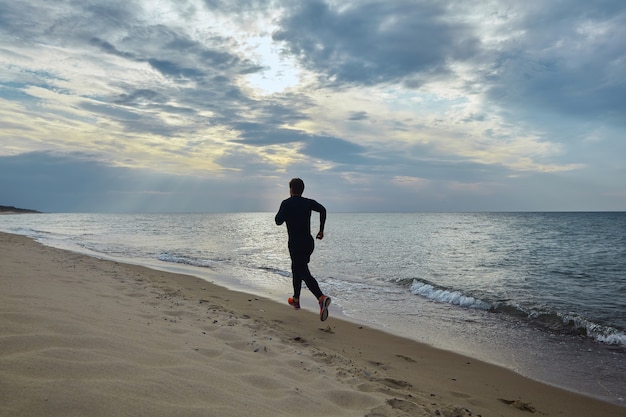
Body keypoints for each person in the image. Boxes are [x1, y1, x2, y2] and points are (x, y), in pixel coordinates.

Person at [275, 178, 331, 321]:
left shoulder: (286, 203)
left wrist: (286, 213)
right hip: (308, 243)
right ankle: (296, 299)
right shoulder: (308, 202)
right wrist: (321, 230)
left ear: (291, 189)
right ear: (302, 189)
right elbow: (323, 210)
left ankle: (321, 297)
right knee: (297, 267)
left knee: (302, 271)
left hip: (295, 243)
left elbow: (278, 221)